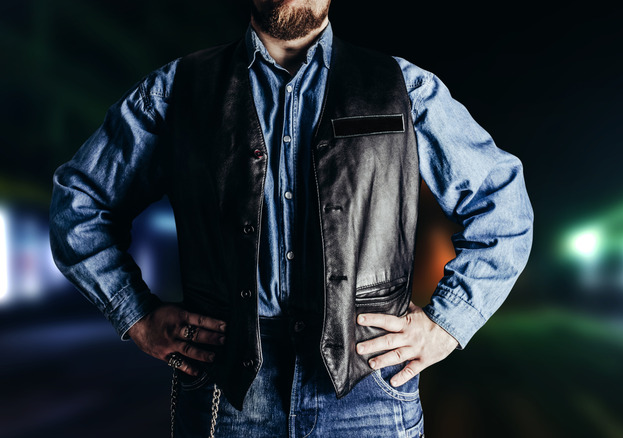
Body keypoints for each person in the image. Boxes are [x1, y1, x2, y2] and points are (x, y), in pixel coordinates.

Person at [49, 0, 533, 436]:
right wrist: (135, 315)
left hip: (370, 386)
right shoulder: (177, 90)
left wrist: (447, 324)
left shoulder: (403, 88)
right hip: (225, 387)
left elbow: (501, 202)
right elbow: (79, 201)